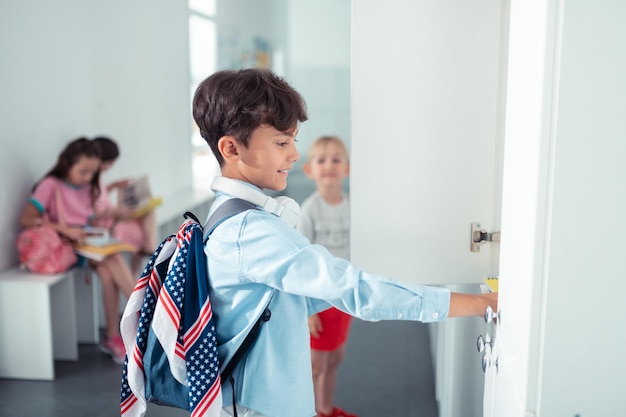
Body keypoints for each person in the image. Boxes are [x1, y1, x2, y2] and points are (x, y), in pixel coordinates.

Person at [191, 68, 498, 417]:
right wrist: (477, 302)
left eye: (293, 141)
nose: (294, 155)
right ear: (231, 148)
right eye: (281, 142)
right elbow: (355, 290)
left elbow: (287, 301)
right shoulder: (252, 232)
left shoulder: (231, 215)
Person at [19, 137, 137, 364]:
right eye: (83, 171)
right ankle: (147, 314)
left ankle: (112, 336)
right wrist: (62, 228)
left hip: (86, 242)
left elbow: (87, 216)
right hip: (63, 245)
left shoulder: (87, 186)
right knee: (112, 258)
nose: (88, 178)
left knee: (106, 274)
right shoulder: (50, 185)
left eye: (92, 173)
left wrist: (109, 215)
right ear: (66, 163)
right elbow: (27, 218)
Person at [297, 136, 355, 417]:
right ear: (309, 170)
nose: (329, 165)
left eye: (336, 159)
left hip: (343, 297)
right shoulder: (309, 210)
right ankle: (309, 411)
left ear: (347, 168)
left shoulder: (353, 207)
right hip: (318, 301)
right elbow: (302, 266)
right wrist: (308, 309)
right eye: (321, 160)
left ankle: (325, 408)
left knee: (335, 359)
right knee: (316, 365)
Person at [92, 136, 157, 275]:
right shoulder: (90, 179)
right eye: (109, 163)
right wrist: (115, 211)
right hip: (109, 226)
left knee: (148, 210)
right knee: (142, 230)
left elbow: (99, 196)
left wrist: (115, 185)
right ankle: (149, 248)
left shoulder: (96, 179)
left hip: (113, 220)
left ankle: (148, 247)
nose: (110, 166)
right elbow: (91, 211)